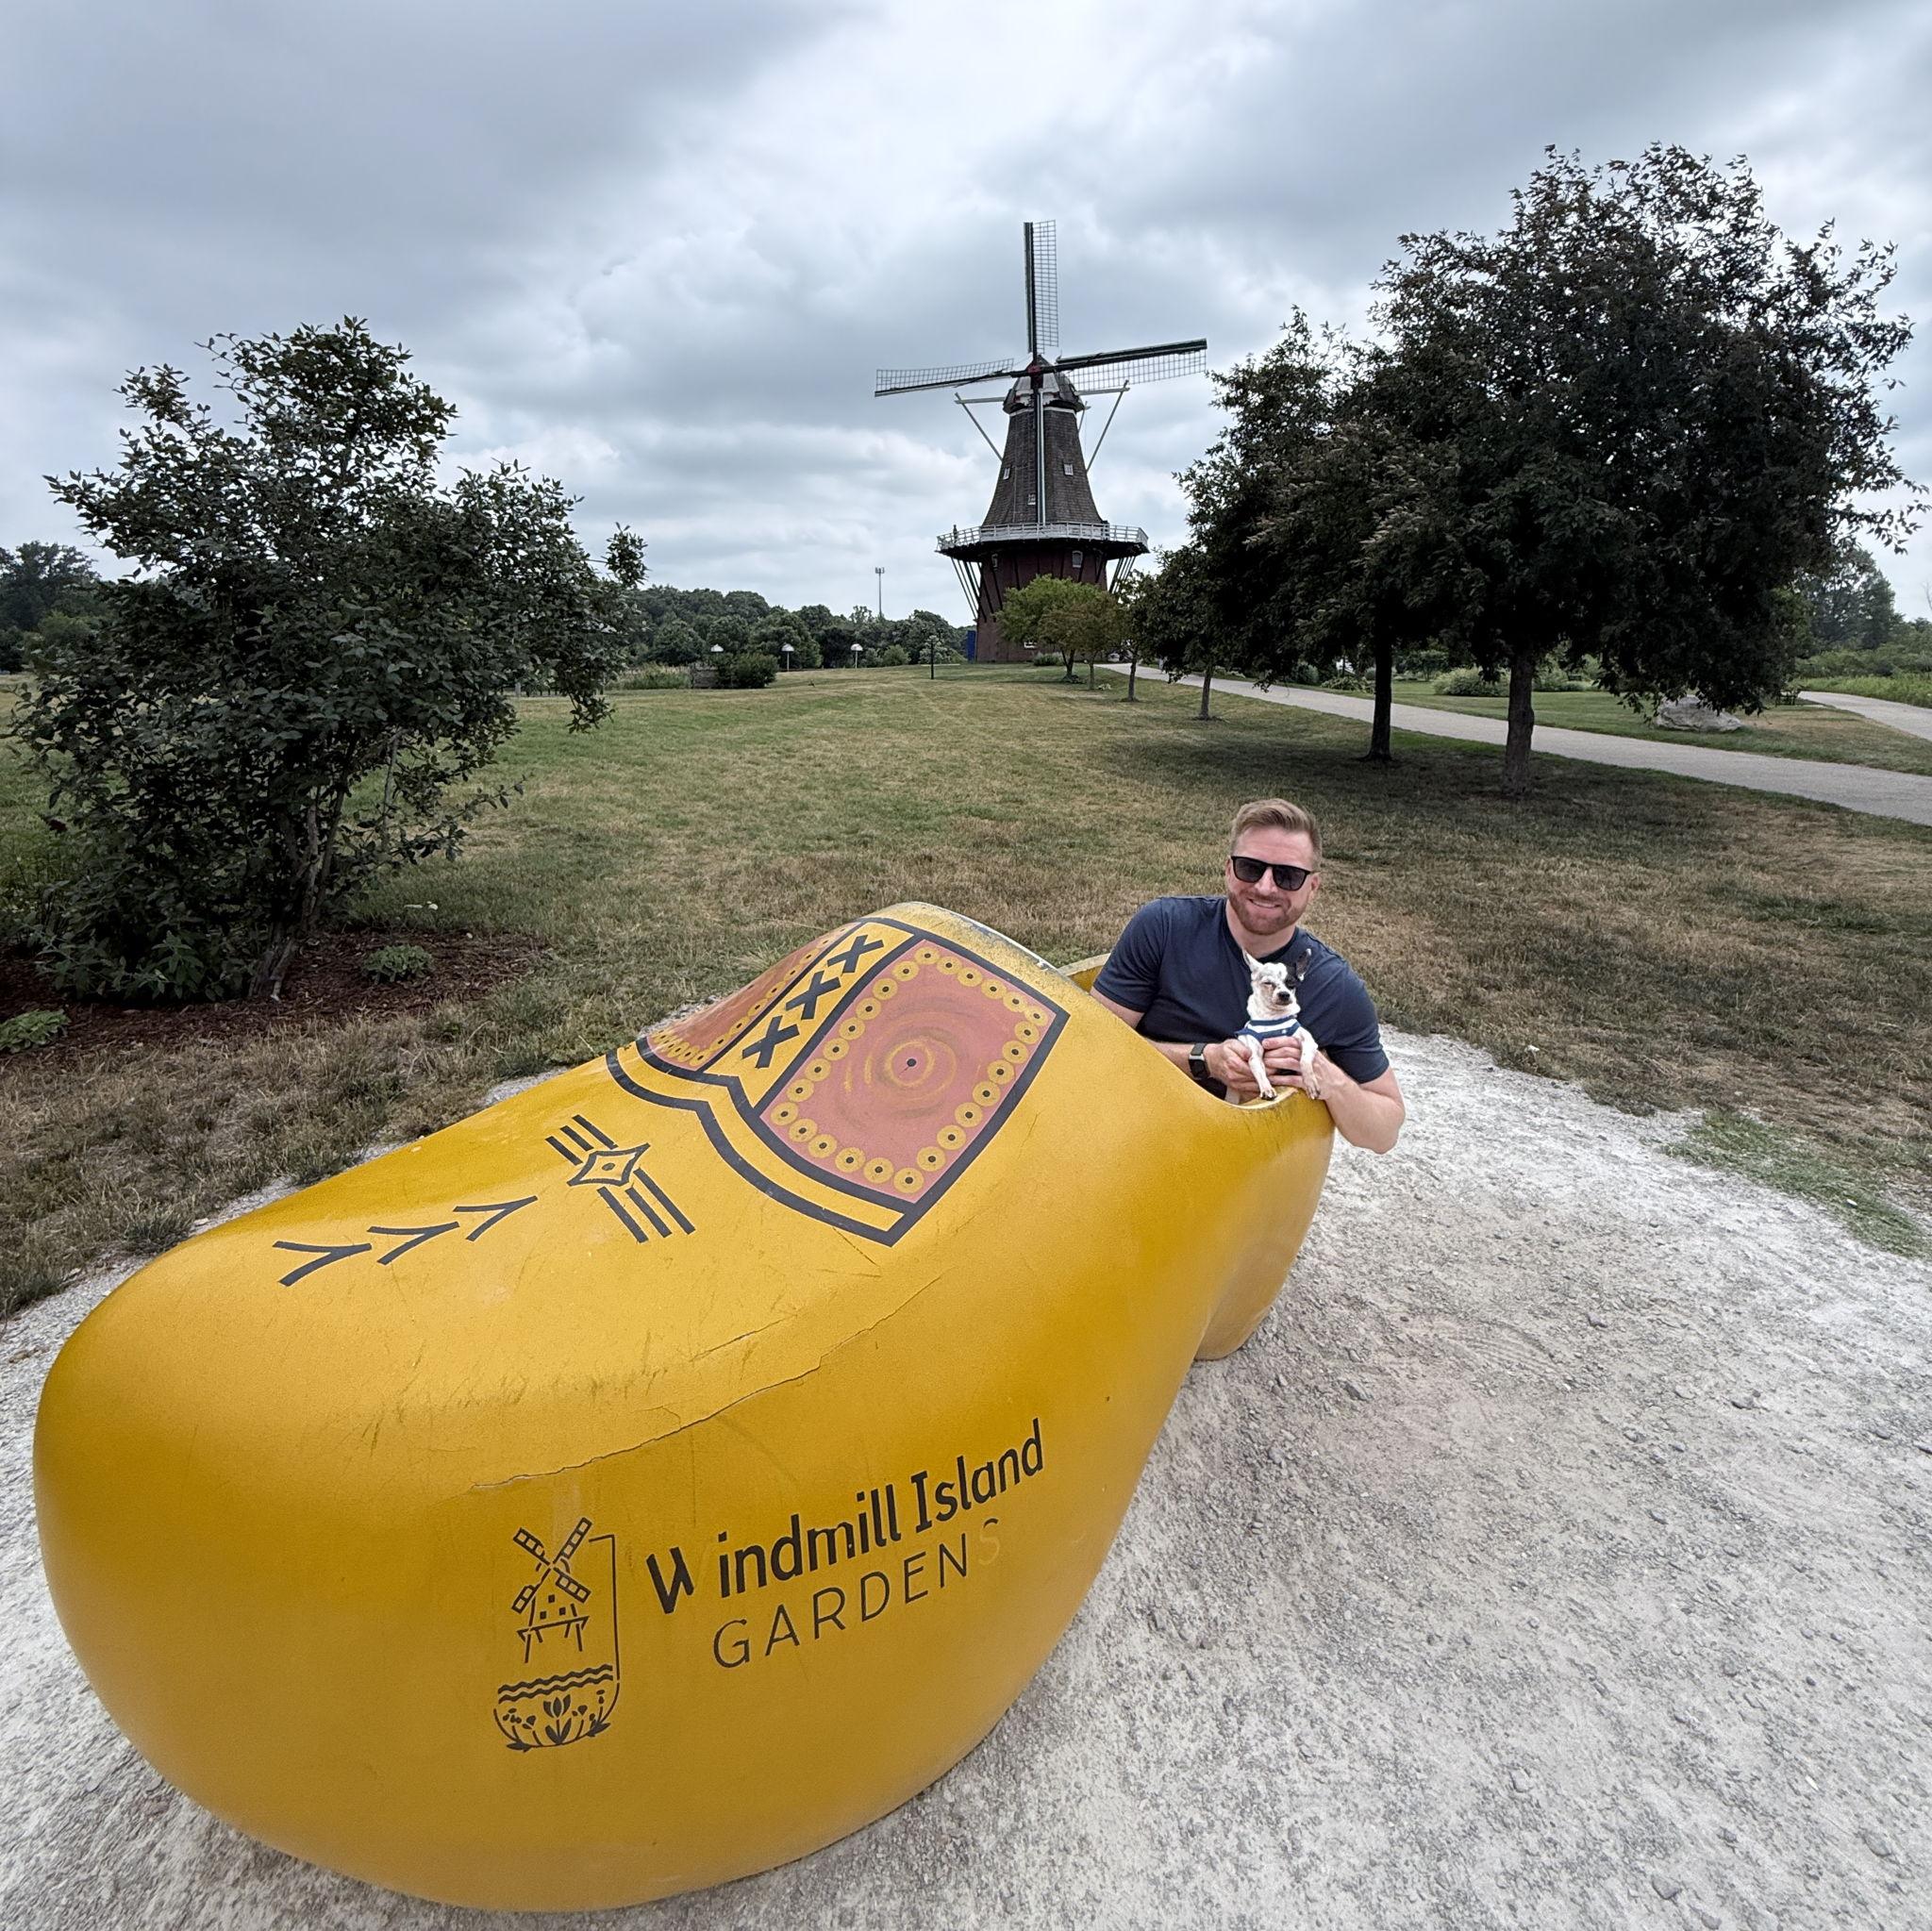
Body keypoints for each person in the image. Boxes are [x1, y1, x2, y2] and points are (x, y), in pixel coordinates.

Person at [1090, 799, 1405, 1153]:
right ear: (1228, 869)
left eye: (1288, 876)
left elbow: (1384, 1132)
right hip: (1127, 1138)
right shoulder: (1164, 928)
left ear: (1313, 887)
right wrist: (1203, 1060)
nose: (1266, 887)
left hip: (1243, 1174)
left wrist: (1326, 1075)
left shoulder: (1336, 988)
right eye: (1250, 868)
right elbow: (1090, 1045)